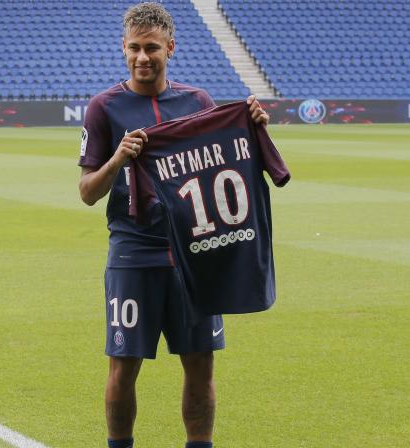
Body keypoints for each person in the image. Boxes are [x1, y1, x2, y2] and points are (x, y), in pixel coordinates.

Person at [77, 3, 269, 447]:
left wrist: (255, 131)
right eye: (134, 48)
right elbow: (87, 191)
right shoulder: (104, 107)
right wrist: (119, 158)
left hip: (195, 256)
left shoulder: (197, 102)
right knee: (123, 365)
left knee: (200, 362)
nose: (142, 57)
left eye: (151, 48)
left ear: (170, 48)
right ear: (123, 49)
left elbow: (231, 168)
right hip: (133, 255)